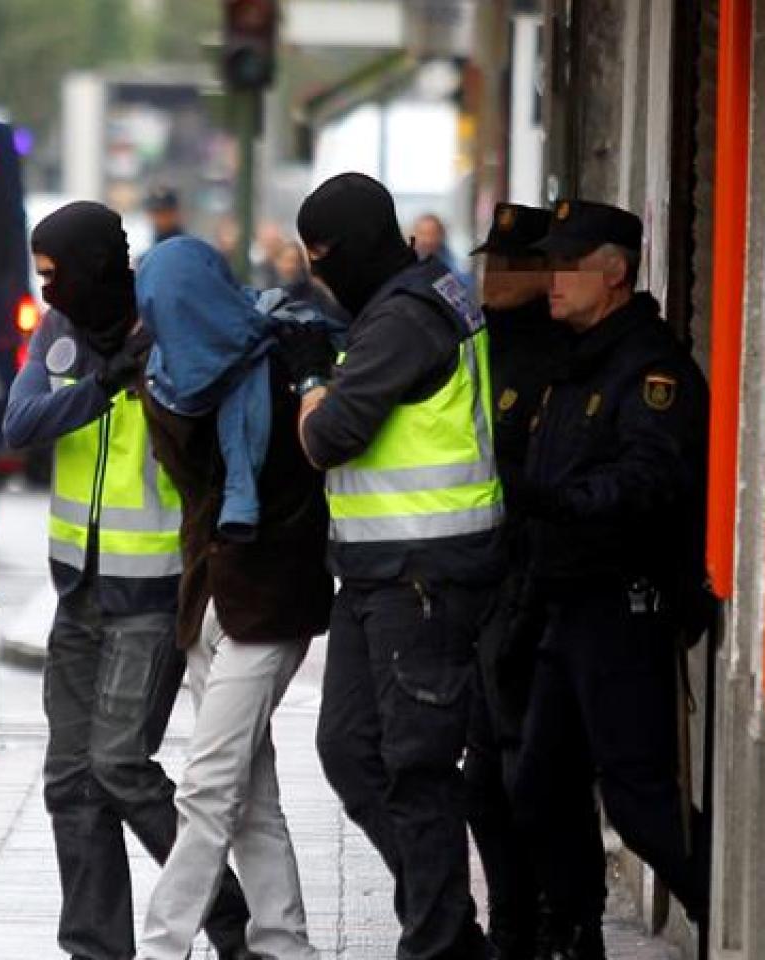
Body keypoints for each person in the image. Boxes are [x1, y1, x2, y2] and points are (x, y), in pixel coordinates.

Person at [1, 202, 255, 960]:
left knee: (118, 765)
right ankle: (95, 947)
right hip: (76, 588)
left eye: (56, 275)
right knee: (69, 781)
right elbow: (20, 425)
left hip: (151, 589)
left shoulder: (169, 330)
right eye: (40, 277)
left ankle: (230, 919)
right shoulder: (64, 334)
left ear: (95, 269)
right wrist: (101, 385)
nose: (48, 293)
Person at [276, 173, 502, 960]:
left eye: (320, 258)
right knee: (349, 750)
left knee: (416, 767)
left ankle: (439, 942)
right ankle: (446, 926)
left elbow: (326, 437)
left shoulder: (408, 313)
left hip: (423, 574)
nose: (315, 273)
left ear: (352, 247)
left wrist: (311, 378)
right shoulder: (417, 294)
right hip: (380, 572)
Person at [506, 200, 711, 959]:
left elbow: (646, 480)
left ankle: (728, 918)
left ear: (615, 273)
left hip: (623, 606)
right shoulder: (576, 361)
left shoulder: (651, 370)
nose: (551, 280)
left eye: (569, 264)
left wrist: (549, 499)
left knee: (640, 800)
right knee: (539, 790)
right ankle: (576, 933)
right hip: (567, 602)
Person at [132, 237, 334, 960]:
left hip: (270, 599)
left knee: (208, 785)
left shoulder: (281, 362)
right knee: (248, 794)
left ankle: (162, 946)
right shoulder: (160, 376)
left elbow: (310, 482)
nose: (168, 319)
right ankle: (284, 944)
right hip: (206, 599)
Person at [462, 202, 560, 959]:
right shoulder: (474, 345)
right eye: (487, 262)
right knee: (482, 777)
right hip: (478, 578)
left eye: (511, 264)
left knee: (528, 769)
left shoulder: (560, 356)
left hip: (537, 581)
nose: (492, 276)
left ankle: (550, 920)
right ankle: (511, 922)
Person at [414, 213, 475, 292]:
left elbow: (465, 286)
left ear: (441, 234)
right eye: (423, 234)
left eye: (432, 234)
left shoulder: (455, 266)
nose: (428, 240)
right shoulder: (407, 265)